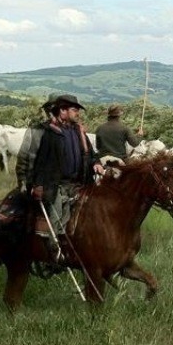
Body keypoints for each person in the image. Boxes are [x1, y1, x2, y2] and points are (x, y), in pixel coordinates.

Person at [26, 94, 103, 257]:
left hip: (78, 183)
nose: (78, 113)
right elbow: (39, 161)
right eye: (75, 110)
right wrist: (37, 185)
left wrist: (96, 163)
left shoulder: (79, 131)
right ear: (62, 111)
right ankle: (51, 250)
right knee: (58, 214)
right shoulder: (49, 132)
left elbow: (90, 153)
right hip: (56, 184)